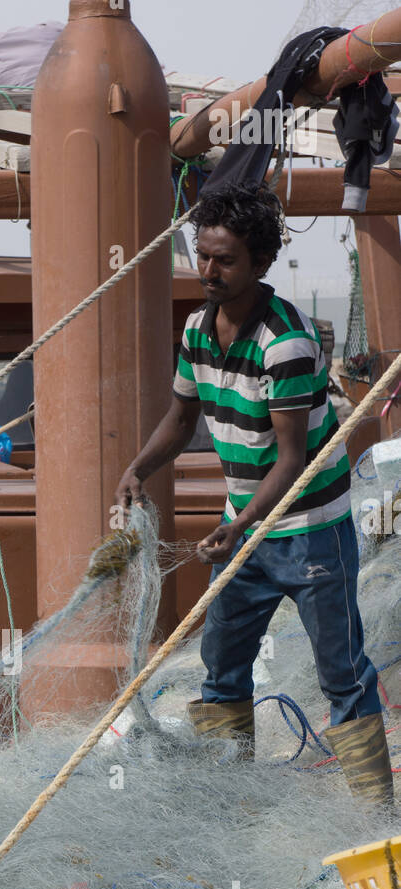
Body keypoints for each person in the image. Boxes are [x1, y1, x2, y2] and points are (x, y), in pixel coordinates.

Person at [115, 182, 392, 805]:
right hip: (246, 524)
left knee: (342, 673)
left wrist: (239, 528)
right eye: (201, 255)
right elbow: (182, 417)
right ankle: (228, 798)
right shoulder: (195, 330)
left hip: (308, 528)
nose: (208, 271)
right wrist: (138, 465)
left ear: (260, 263)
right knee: (221, 666)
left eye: (225, 260)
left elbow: (293, 461)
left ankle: (376, 812)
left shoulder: (285, 342)